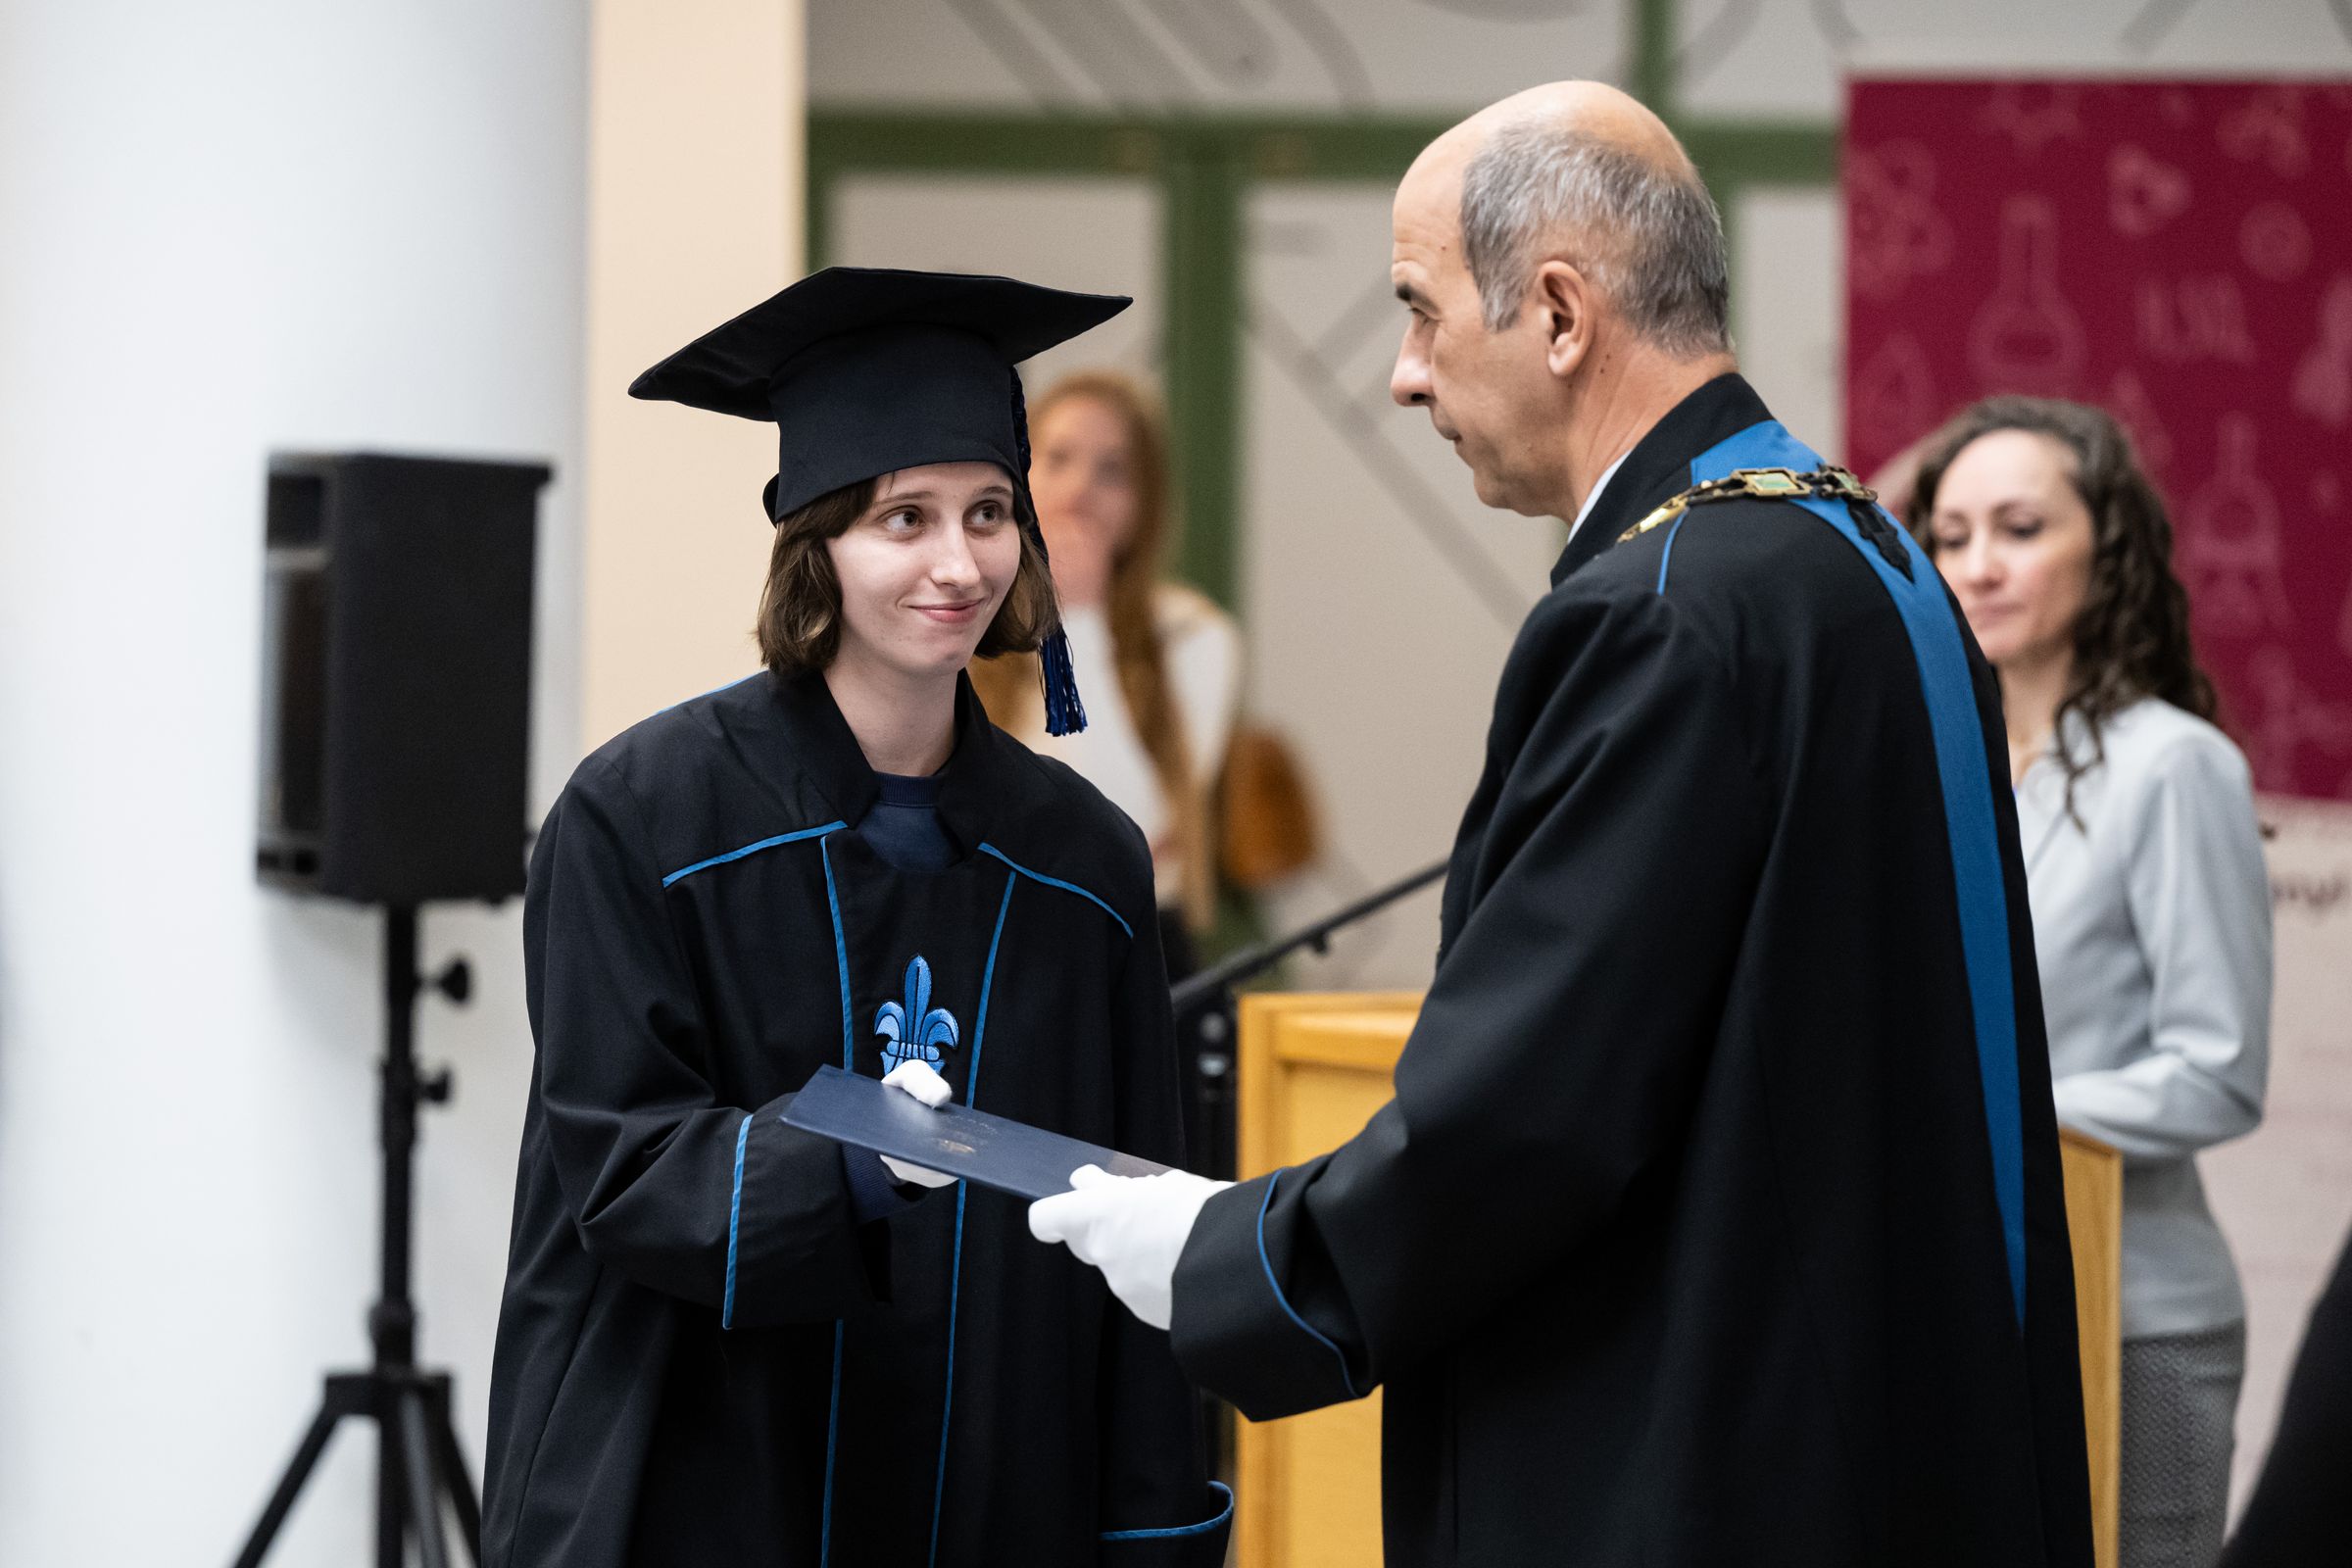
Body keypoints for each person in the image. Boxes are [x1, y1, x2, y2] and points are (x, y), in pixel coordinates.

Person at [1028, 80, 2094, 1567]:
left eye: (1420, 312)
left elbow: (1532, 1110)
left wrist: (1236, 1259)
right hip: (1899, 1431)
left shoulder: (1658, 613)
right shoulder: (1870, 560)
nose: (1403, 376)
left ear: (1558, 313)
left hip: (1699, 1457)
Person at [482, 268, 1230, 1568]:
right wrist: (849, 1162)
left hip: (997, 1486)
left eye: (989, 512)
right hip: (715, 1478)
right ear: (816, 539)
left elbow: (1130, 1232)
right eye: (904, 518)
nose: (959, 564)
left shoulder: (1082, 867)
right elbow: (619, 1166)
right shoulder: (644, 821)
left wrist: (1154, 1529)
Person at [1911, 396, 2271, 1568]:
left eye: (2018, 529)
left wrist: (1996, 1115)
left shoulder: (2173, 766)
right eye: (1950, 535)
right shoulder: (1938, 768)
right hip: (1964, 1307)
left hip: (2139, 1316)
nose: (1978, 565)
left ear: (2106, 548)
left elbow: (2219, 1073)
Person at [969, 370, 1241, 956]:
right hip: (985, 933)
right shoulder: (963, 618)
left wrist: (1078, 619)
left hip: (1129, 940)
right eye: (1057, 459)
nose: (1079, 491)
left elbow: (1115, 826)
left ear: (1144, 505)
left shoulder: (1193, 634)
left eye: (1112, 471)